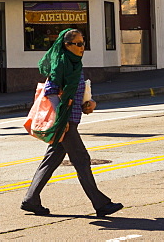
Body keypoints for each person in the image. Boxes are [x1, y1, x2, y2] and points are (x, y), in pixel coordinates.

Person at [21, 28, 123, 218]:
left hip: (71, 118)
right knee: (82, 160)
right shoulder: (61, 63)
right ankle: (101, 204)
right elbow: (51, 91)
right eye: (78, 44)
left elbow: (77, 91)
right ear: (66, 45)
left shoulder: (75, 63)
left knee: (51, 160)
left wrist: (88, 103)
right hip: (65, 122)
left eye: (83, 43)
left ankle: (31, 199)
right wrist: (62, 119)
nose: (82, 47)